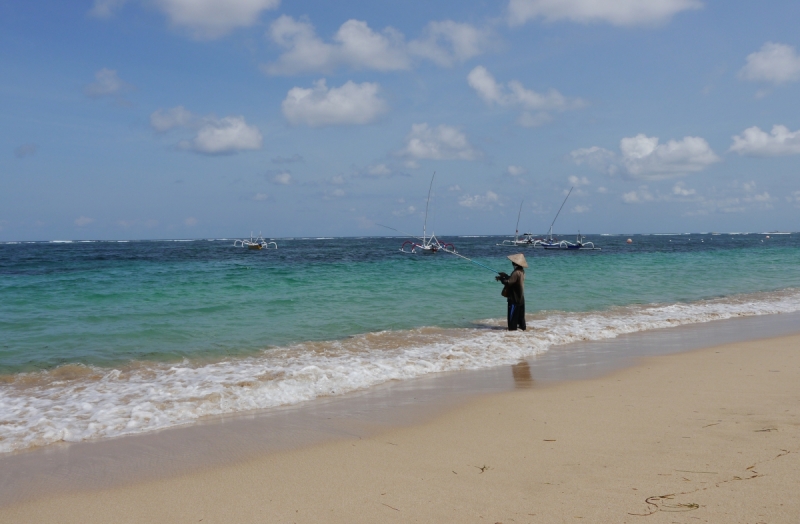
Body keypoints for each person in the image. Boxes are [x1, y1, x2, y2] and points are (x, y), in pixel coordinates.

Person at [495, 253, 527, 331]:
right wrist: (505, 275)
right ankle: (522, 330)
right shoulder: (521, 271)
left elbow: (508, 282)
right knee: (520, 317)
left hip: (514, 298)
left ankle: (512, 331)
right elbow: (513, 280)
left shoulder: (516, 272)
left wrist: (502, 279)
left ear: (515, 263)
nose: (512, 263)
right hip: (520, 298)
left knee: (512, 318)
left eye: (513, 262)